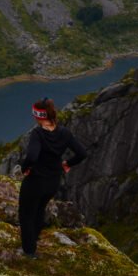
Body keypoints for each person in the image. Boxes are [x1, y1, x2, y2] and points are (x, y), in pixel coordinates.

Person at [18, 97, 87, 258]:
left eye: (35, 115)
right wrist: (67, 163)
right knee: (39, 210)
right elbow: (82, 153)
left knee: (26, 214)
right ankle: (33, 240)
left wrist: (25, 168)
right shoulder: (64, 132)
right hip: (53, 182)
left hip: (36, 181)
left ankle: (29, 251)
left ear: (39, 116)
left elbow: (32, 156)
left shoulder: (38, 133)